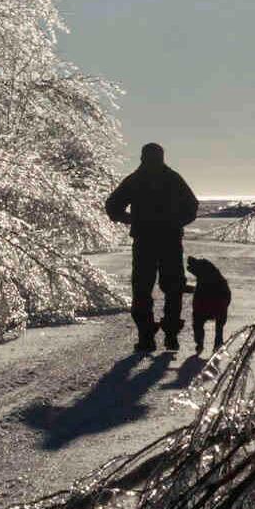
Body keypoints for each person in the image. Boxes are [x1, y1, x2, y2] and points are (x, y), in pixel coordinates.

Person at [104, 142, 199, 352]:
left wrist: (130, 220)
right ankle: (171, 336)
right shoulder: (173, 178)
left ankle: (147, 337)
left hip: (145, 241)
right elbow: (192, 206)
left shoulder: (135, 180)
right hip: (170, 241)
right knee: (173, 288)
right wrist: (176, 222)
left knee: (142, 289)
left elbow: (112, 205)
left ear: (142, 157)